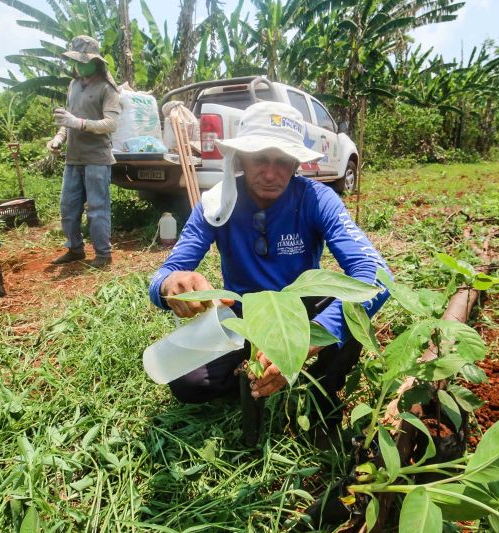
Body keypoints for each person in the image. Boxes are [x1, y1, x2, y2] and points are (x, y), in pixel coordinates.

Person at [149, 101, 391, 431]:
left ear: (296, 163)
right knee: (187, 382)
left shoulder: (316, 199)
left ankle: (321, 390)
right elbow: (164, 275)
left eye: (283, 161)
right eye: (260, 157)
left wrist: (308, 342)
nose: (270, 173)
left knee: (349, 317)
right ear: (241, 158)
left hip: (301, 311)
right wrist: (170, 285)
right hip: (244, 315)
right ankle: (259, 374)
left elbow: (375, 276)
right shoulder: (217, 203)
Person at [47, 35, 120, 269]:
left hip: (97, 159)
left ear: (95, 62)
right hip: (73, 158)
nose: (78, 65)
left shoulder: (107, 89)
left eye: (82, 60)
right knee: (68, 207)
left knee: (98, 209)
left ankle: (103, 254)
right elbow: (67, 120)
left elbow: (110, 124)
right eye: (76, 60)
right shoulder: (74, 85)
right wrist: (58, 138)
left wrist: (78, 123)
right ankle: (75, 248)